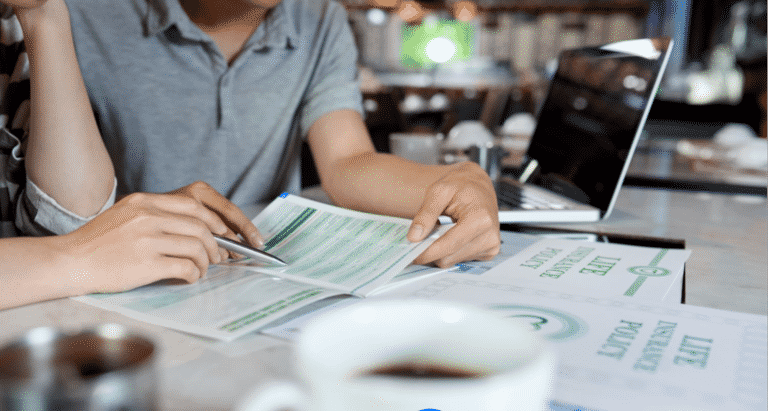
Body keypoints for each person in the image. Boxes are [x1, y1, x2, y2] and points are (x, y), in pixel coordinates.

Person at [63, 0, 501, 268]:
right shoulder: (80, 15)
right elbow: (54, 203)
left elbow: (348, 163)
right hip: (124, 267)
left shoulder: (319, 19)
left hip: (262, 269)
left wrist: (449, 182)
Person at [0, 0, 260, 310]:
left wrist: (43, 14)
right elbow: (75, 243)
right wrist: (77, 257)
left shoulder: (15, 26)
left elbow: (67, 222)